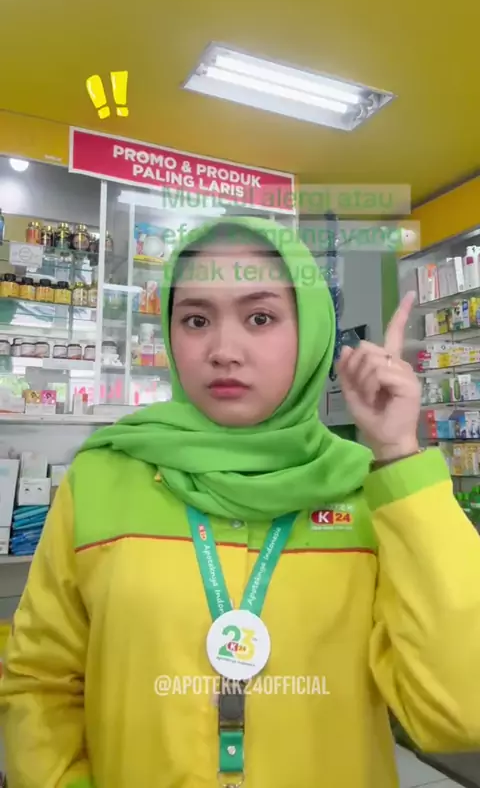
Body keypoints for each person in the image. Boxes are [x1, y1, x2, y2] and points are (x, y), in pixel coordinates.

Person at [1, 215, 480, 788]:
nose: (224, 351)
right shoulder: (102, 478)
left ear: (313, 331)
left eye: (260, 318)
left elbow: (461, 712)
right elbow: (40, 683)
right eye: (196, 320)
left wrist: (399, 453)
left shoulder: (369, 490)